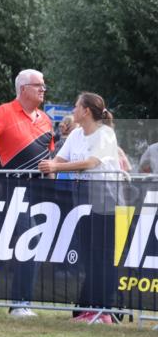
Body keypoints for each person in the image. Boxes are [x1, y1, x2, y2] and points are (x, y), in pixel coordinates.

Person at [0, 69, 54, 318]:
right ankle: (19, 303)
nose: (43, 89)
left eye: (44, 86)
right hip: (16, 188)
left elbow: (47, 157)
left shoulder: (46, 119)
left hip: (41, 189)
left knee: (37, 241)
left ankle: (22, 301)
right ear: (23, 88)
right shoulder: (6, 111)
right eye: (39, 85)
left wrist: (53, 181)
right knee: (30, 239)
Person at [38, 92, 121, 323]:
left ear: (86, 111)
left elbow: (90, 163)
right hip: (82, 200)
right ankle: (92, 309)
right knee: (89, 256)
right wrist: (51, 165)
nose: (72, 110)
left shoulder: (105, 134)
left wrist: (54, 166)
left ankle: (103, 309)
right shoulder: (75, 134)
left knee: (103, 257)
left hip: (107, 201)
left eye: (75, 106)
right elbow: (61, 160)